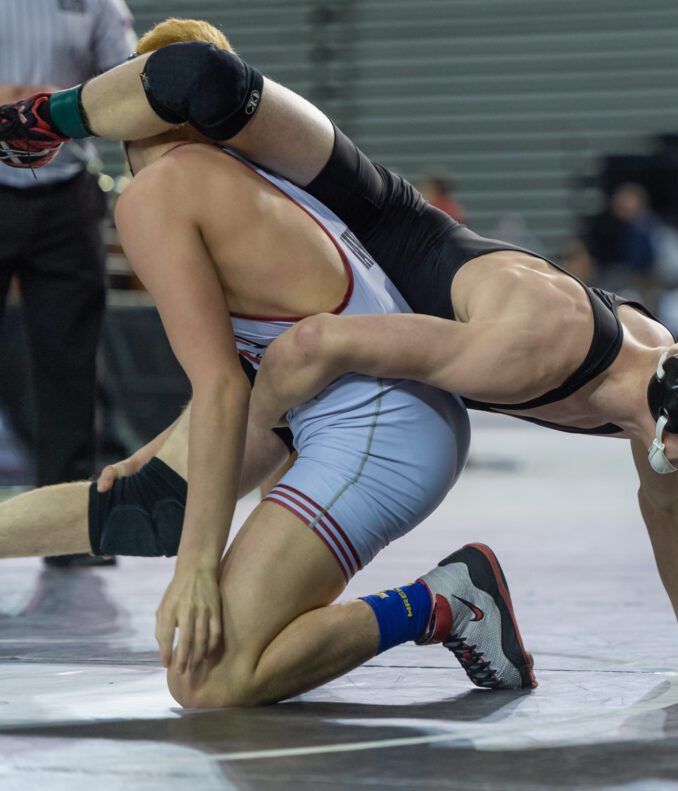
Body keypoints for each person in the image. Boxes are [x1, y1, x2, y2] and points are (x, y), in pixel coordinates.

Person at [0, 24, 678, 671]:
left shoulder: (653, 385)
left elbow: (666, 504)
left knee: (183, 534)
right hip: (372, 229)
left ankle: (443, 602)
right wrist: (233, 435)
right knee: (198, 80)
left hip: (360, 349)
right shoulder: (536, 345)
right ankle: (35, 120)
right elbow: (312, 350)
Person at [0, 20, 534, 707]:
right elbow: (247, 363)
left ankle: (446, 601)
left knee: (207, 679)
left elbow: (222, 383)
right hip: (363, 402)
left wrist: (196, 566)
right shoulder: (253, 174)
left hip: (379, 429)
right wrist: (165, 451)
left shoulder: (157, 196)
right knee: (149, 503)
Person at [0, 0, 136, 567]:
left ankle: (69, 528)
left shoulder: (98, 5)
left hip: (66, 197)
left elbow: (130, 90)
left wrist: (53, 108)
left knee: (70, 361)